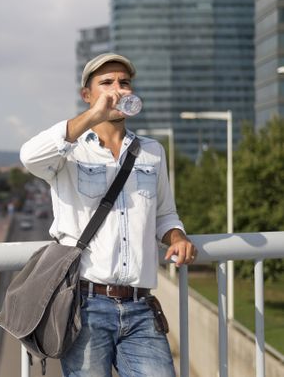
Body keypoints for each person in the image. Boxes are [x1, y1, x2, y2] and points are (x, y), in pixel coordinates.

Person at [19, 52, 197, 376]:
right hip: (85, 307)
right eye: (106, 83)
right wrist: (91, 116)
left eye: (124, 82)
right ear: (87, 95)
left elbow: (165, 214)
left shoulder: (152, 152)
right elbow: (28, 156)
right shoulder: (68, 152)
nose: (118, 89)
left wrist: (177, 237)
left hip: (140, 307)